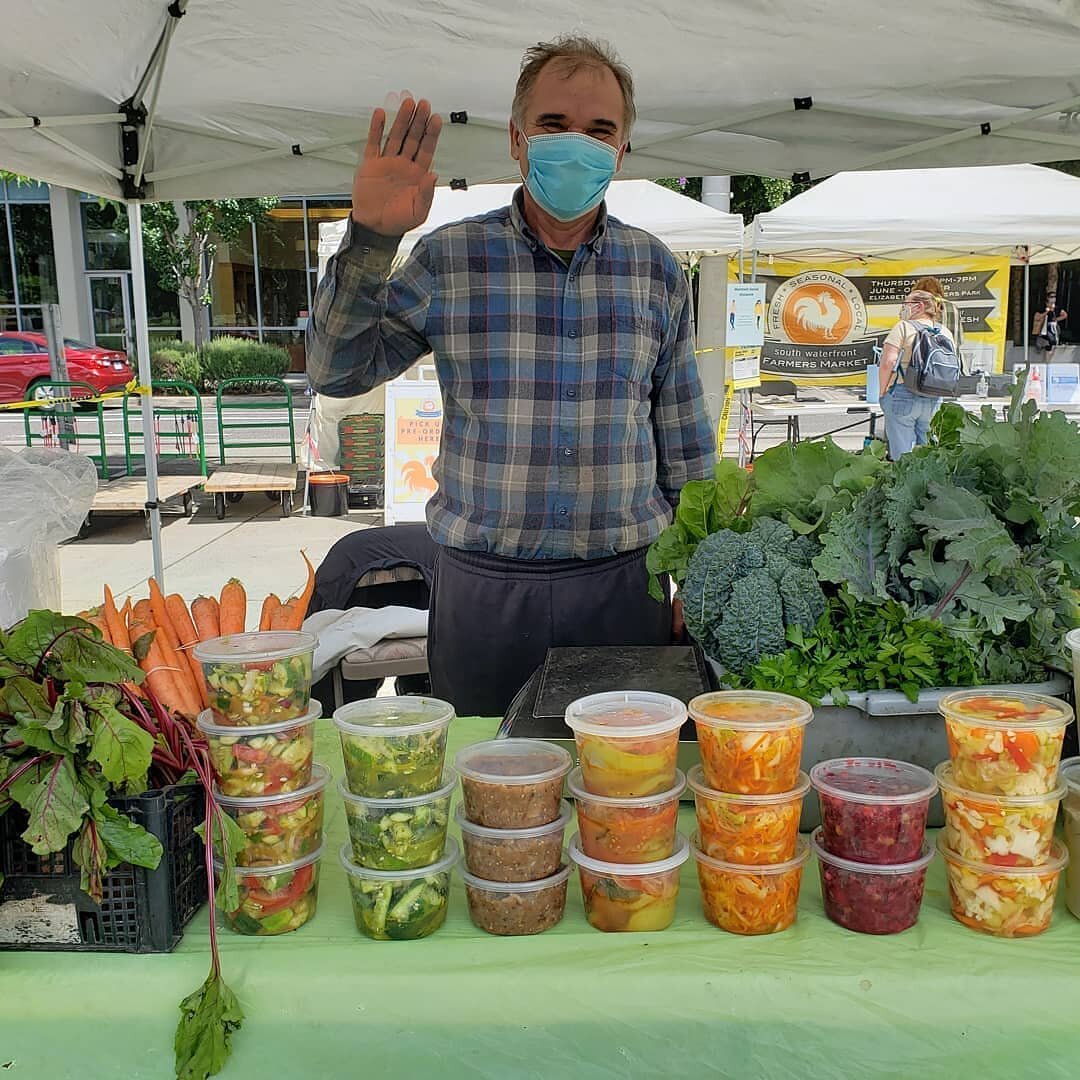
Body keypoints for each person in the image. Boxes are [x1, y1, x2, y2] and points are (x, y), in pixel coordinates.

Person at [307, 36, 715, 717]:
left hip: (623, 587)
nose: (575, 142)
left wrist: (699, 589)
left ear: (622, 152)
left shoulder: (656, 270)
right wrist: (373, 240)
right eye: (554, 125)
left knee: (620, 795)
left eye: (600, 130)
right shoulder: (450, 259)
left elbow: (687, 453)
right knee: (488, 790)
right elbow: (337, 371)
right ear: (518, 140)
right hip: (483, 592)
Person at [877, 289, 955, 459]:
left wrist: (882, 392)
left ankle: (904, 483)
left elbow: (888, 362)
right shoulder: (945, 332)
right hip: (934, 397)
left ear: (919, 306)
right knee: (929, 454)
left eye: (906, 304)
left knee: (902, 455)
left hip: (903, 393)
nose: (903, 308)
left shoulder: (903, 327)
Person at [914, 276, 964, 363]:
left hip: (926, 363)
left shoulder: (917, 306)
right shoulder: (953, 307)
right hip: (952, 363)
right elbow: (959, 339)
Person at [1034, 293, 1068, 358]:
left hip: (1053, 327)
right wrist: (1047, 311)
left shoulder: (1057, 308)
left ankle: (1048, 352)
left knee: (1053, 341)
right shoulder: (1043, 308)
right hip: (1044, 327)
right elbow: (1037, 317)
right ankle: (1040, 343)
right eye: (1051, 297)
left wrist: (1056, 319)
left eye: (1054, 297)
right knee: (1050, 339)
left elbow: (1065, 315)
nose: (1053, 298)